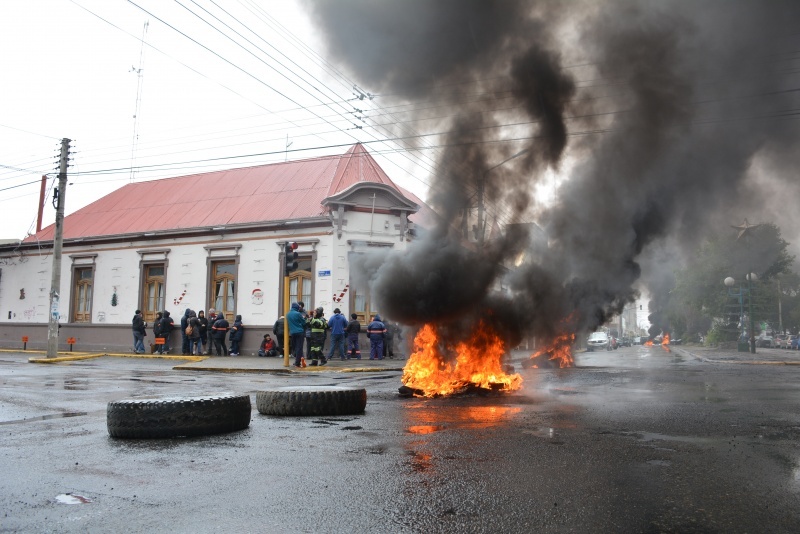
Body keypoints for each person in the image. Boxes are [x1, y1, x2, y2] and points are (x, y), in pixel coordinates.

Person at [287, 302, 306, 367]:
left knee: (295, 347)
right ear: (297, 307)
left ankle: (299, 359)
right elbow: (304, 323)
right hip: (300, 332)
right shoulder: (298, 314)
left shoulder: (288, 314)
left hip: (292, 333)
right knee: (299, 347)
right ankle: (297, 362)